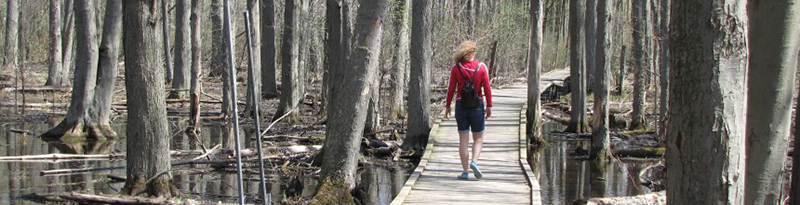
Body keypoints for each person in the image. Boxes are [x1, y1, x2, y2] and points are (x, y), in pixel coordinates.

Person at [445, 40, 492, 180]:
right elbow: (487, 88)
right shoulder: (482, 67)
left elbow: (451, 89)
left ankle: (465, 172)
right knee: (478, 138)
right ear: (473, 52)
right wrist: (489, 105)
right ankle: (474, 162)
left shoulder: (456, 68)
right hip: (477, 105)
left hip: (461, 106)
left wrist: (447, 106)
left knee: (463, 140)